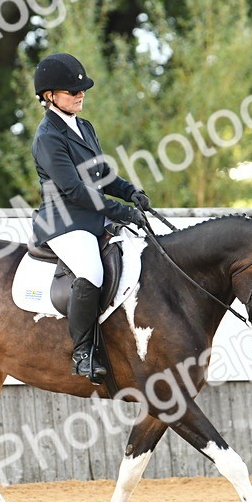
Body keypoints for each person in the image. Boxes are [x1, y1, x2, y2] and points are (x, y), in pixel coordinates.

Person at [30, 52, 151, 383]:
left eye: (82, 90)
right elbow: (74, 190)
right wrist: (120, 211)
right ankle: (82, 352)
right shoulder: (47, 137)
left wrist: (130, 192)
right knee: (91, 271)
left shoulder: (83, 126)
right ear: (49, 96)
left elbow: (102, 174)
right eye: (72, 91)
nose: (80, 94)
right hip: (64, 222)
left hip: (92, 217)